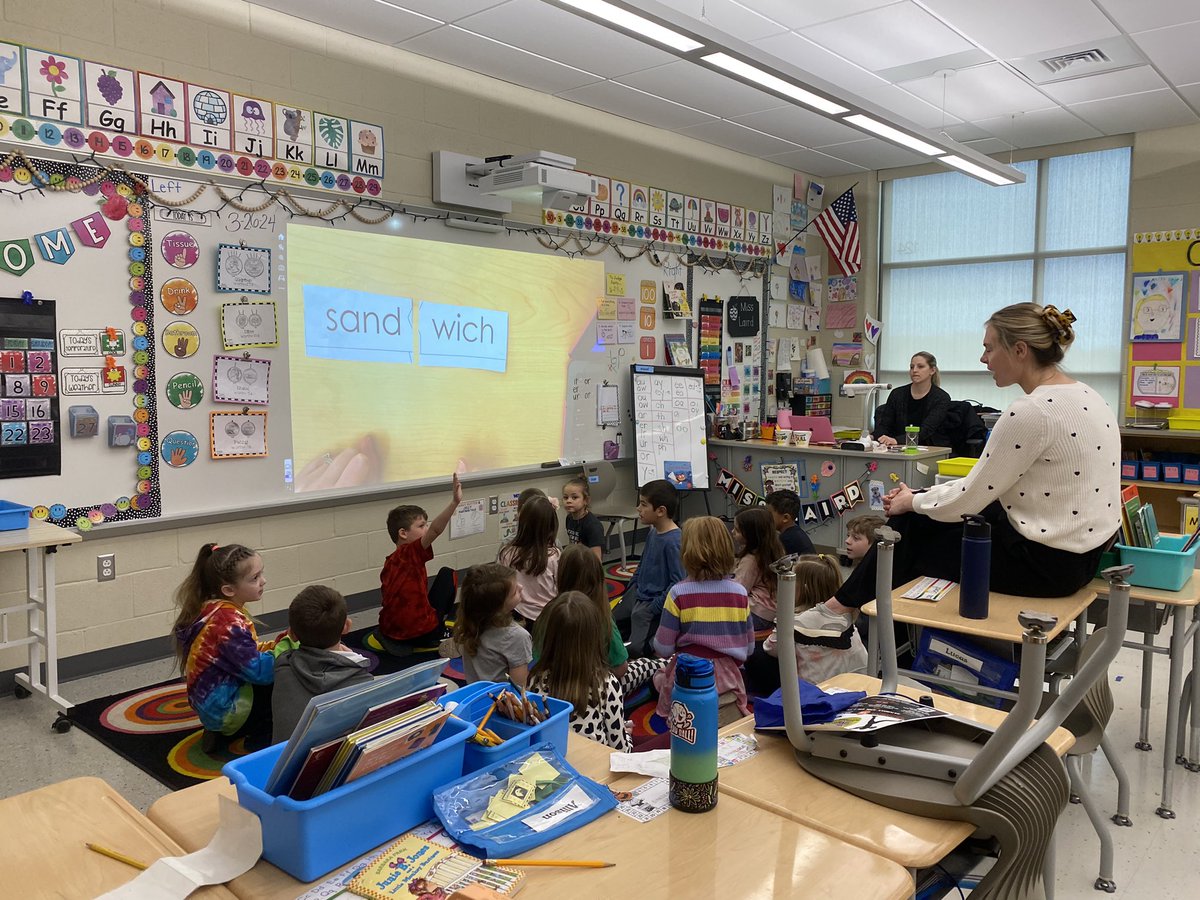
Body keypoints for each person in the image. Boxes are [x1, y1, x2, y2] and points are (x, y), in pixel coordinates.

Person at [801, 303, 1122, 636]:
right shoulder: (1089, 396)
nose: (984, 359)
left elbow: (969, 498)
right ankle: (849, 611)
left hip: (1047, 567)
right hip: (1085, 557)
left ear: (1020, 350)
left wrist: (911, 502)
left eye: (989, 348)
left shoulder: (1032, 412)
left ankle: (844, 612)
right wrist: (919, 495)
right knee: (921, 516)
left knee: (907, 531)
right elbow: (981, 488)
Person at [172, 543, 276, 752]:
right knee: (284, 676)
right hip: (227, 710)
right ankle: (259, 742)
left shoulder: (211, 608)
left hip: (212, 705)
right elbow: (260, 672)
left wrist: (280, 643)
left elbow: (249, 652)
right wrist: (288, 653)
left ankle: (222, 731)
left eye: (261, 574)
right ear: (228, 589)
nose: (263, 581)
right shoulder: (228, 623)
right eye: (254, 578)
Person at [529, 591, 664, 751]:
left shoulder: (534, 679)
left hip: (556, 762)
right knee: (668, 741)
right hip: (598, 768)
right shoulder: (606, 683)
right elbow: (621, 751)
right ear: (593, 638)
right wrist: (626, 735)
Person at [651, 517, 754, 721]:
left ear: (686, 552)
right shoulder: (740, 593)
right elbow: (749, 649)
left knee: (658, 676)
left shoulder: (678, 593)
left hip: (687, 676)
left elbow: (663, 648)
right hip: (728, 680)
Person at [368, 473, 462, 655]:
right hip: (421, 633)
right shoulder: (410, 552)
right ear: (403, 533)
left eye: (425, 525)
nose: (426, 529)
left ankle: (395, 639)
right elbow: (436, 530)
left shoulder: (391, 561)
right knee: (447, 574)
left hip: (389, 629)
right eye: (421, 526)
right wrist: (454, 503)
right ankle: (436, 632)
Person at [271, 585, 372, 744]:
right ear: (347, 626)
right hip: (332, 765)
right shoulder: (362, 681)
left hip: (282, 761)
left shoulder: (283, 666)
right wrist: (352, 661)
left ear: (292, 635)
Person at [763, 555, 867, 684]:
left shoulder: (798, 622)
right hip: (856, 684)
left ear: (804, 589)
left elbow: (770, 647)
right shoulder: (845, 617)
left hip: (815, 692)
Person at [549, 544, 629, 678]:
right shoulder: (601, 618)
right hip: (595, 686)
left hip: (556, 683)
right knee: (651, 665)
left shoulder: (551, 613)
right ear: (598, 579)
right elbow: (621, 668)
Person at [627, 479, 686, 657]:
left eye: (644, 504)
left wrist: (654, 608)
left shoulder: (674, 541)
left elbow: (677, 583)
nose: (638, 508)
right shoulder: (653, 531)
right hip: (639, 594)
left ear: (661, 511)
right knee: (609, 622)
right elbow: (643, 563)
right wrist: (632, 586)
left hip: (653, 604)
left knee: (635, 650)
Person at [454, 562, 531, 687]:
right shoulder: (517, 637)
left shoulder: (469, 623)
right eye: (515, 592)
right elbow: (519, 689)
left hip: (474, 697)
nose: (521, 587)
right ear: (498, 607)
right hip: (502, 703)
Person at [499, 496, 562, 624]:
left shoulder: (506, 553)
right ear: (551, 526)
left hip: (516, 617)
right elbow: (562, 589)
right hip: (547, 618)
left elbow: (501, 587)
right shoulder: (554, 556)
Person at [872, 351, 952, 447]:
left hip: (929, 447)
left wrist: (896, 440)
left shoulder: (941, 397)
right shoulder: (897, 394)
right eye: (911, 367)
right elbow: (885, 425)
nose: (914, 370)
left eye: (920, 366)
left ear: (932, 370)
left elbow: (926, 430)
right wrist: (873, 437)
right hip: (898, 447)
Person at [732, 506, 786, 630]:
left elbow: (737, 591)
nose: (732, 532)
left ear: (751, 535)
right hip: (772, 613)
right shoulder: (774, 550)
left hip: (756, 614)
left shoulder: (750, 560)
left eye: (737, 530)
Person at [562, 476, 604, 560]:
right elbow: (572, 543)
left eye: (574, 497)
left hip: (589, 566)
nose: (568, 501)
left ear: (586, 500)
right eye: (565, 497)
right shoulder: (569, 518)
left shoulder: (593, 525)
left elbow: (597, 559)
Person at [764, 489, 816, 556]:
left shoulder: (786, 540)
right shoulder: (796, 532)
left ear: (786, 518)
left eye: (769, 514)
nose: (765, 516)